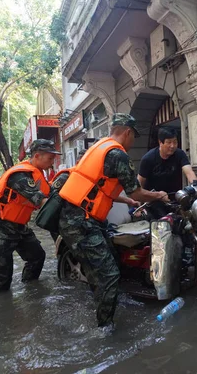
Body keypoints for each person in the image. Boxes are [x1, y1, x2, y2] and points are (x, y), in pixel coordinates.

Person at [56, 113, 170, 329]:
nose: (133, 141)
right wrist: (159, 195)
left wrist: (126, 199)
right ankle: (104, 330)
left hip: (78, 216)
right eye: (133, 136)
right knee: (109, 275)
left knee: (110, 261)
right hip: (81, 221)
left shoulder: (99, 147)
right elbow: (137, 191)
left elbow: (97, 187)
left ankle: (102, 302)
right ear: (127, 132)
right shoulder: (118, 154)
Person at [0, 139, 60, 293]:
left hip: (20, 226)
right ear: (37, 156)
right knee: (2, 278)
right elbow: (41, 199)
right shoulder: (20, 175)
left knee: (37, 257)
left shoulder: (39, 174)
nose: (52, 162)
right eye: (50, 158)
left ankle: (30, 291)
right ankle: (0, 309)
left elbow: (52, 193)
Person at [137, 127, 197, 216]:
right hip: (154, 200)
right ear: (160, 142)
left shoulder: (180, 154)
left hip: (175, 198)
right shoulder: (148, 159)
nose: (172, 146)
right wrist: (138, 205)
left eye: (175, 142)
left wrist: (195, 185)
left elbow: (189, 171)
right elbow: (139, 183)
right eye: (169, 142)